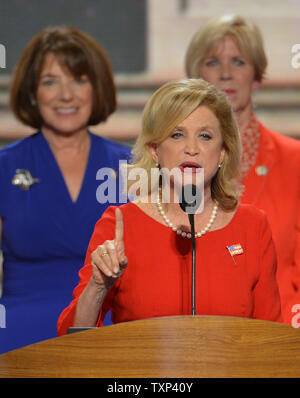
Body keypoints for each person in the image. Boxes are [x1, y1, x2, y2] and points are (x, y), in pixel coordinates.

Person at [57, 78, 282, 336]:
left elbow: (272, 340)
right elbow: (70, 339)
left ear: (222, 153)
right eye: (177, 135)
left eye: (205, 136)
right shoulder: (120, 224)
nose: (192, 149)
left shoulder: (252, 226)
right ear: (154, 150)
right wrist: (98, 286)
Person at [0, 25, 131, 354]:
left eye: (79, 79)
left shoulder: (133, 168)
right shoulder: (4, 165)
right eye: (50, 81)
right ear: (32, 92)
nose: (66, 95)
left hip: (111, 329)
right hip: (18, 332)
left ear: (96, 87)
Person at [184, 15, 300, 324]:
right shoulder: (172, 162)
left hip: (280, 331)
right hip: (196, 331)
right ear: (194, 76)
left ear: (257, 76)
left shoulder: (295, 160)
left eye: (238, 62)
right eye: (212, 62)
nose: (225, 74)